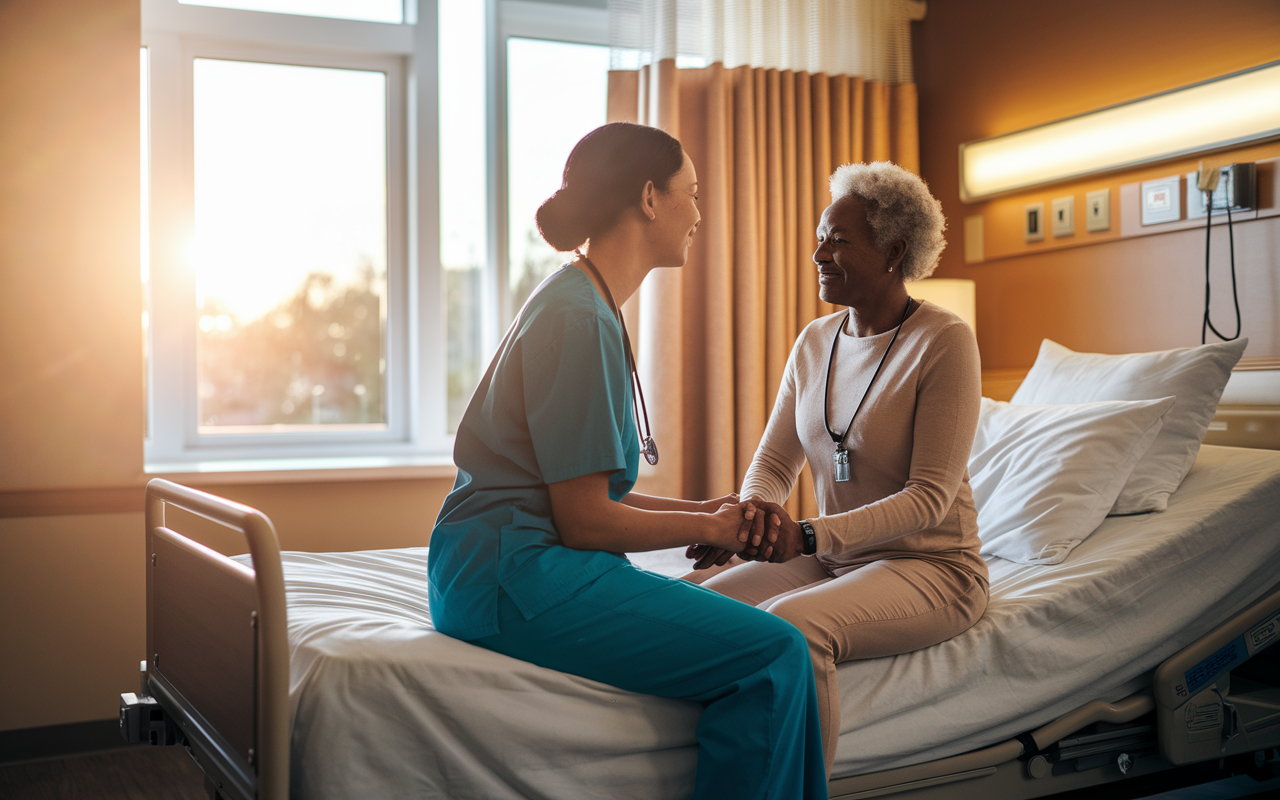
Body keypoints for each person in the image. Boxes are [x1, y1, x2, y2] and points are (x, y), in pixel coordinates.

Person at [427, 122, 829, 800]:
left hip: (488, 567)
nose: (698, 214)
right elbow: (585, 521)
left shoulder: (580, 298)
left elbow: (585, 493)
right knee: (774, 653)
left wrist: (707, 514)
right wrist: (722, 531)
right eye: (691, 193)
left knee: (751, 635)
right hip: (514, 578)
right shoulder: (581, 318)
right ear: (650, 198)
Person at [688, 161, 989, 777]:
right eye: (821, 236)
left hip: (930, 565)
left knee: (794, 626)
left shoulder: (944, 341)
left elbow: (930, 499)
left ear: (894, 251)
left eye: (839, 239)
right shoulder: (815, 340)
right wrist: (753, 518)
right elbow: (774, 460)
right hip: (834, 557)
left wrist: (804, 535)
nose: (819, 251)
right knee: (695, 610)